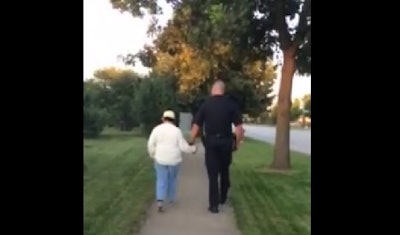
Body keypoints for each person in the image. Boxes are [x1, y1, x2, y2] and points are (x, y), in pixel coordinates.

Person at [188, 80, 244, 213]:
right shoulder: (231, 105)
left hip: (211, 142)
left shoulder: (206, 105)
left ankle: (213, 205)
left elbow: (197, 125)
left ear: (213, 89)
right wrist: (236, 143)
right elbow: (239, 128)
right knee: (224, 170)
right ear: (223, 90)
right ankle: (223, 196)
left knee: (212, 175)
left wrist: (192, 139)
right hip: (226, 142)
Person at [147, 110, 197, 212]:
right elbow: (183, 146)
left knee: (161, 179)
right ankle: (171, 198)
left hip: (160, 158)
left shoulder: (156, 129)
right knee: (172, 179)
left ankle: (160, 201)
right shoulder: (177, 131)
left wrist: (153, 154)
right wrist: (193, 149)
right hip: (174, 160)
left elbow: (150, 144)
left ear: (163, 119)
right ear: (174, 120)